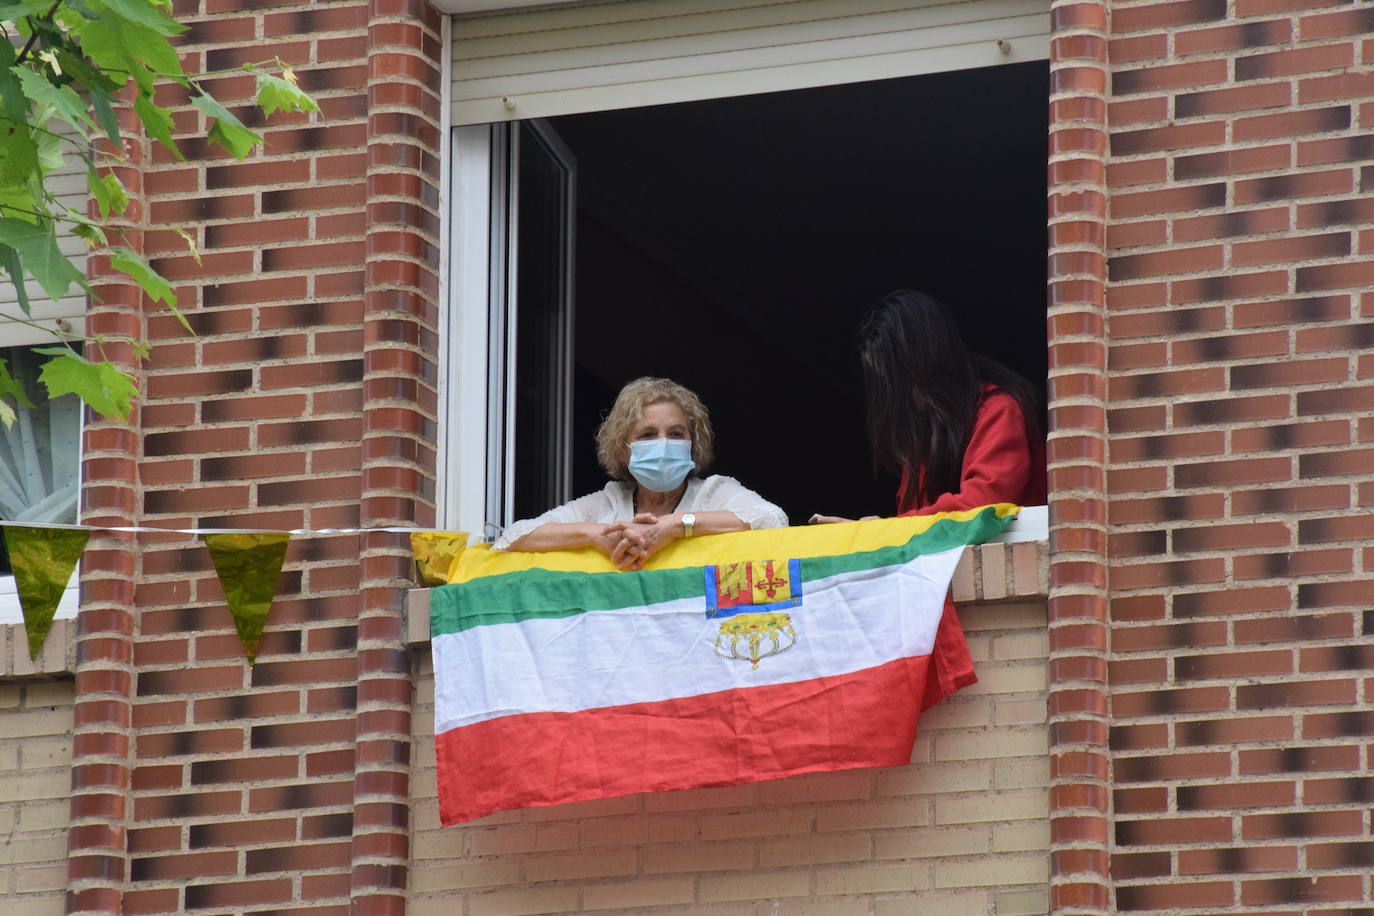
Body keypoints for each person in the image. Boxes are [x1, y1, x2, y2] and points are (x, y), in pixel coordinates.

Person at [497, 376, 788, 569]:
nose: (663, 444)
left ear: (693, 444)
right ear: (624, 449)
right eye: (648, 434)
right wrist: (596, 535)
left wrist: (675, 526)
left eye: (675, 433)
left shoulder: (713, 492)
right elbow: (513, 538)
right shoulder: (610, 503)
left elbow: (772, 519)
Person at [810, 289, 1046, 524]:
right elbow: (913, 532)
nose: (897, 396)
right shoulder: (925, 436)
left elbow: (982, 507)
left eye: (897, 379)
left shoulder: (1000, 410)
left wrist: (884, 530)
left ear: (927, 364)